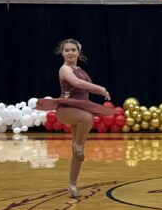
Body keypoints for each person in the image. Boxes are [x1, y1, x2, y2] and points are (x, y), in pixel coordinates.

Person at [37, 39, 113, 198]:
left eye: (73, 50)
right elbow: (76, 83)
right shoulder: (64, 69)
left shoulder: (80, 69)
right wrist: (100, 89)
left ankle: (72, 185)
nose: (70, 52)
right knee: (87, 118)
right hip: (66, 109)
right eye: (67, 50)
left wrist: (98, 90)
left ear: (78, 52)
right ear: (62, 53)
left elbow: (84, 88)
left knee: (78, 154)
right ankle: (78, 145)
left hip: (80, 107)